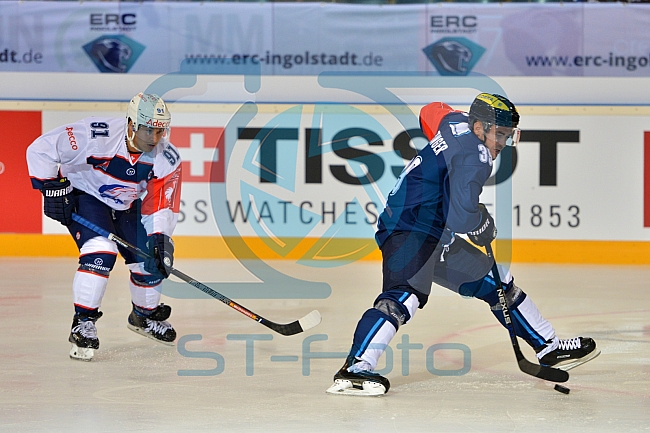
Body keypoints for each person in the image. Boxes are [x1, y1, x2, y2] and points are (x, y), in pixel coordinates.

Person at [326, 93, 599, 396]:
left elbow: (430, 111)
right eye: (499, 134)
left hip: (435, 234)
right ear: (480, 127)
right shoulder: (477, 157)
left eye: (508, 136)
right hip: (410, 230)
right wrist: (481, 223)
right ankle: (355, 369)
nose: (502, 144)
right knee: (403, 298)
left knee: (496, 280)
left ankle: (547, 347)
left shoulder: (455, 122)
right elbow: (461, 216)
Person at [26, 92, 182, 361]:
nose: (154, 139)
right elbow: (41, 149)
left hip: (127, 203)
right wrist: (50, 187)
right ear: (132, 123)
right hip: (87, 197)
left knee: (150, 257)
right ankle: (82, 322)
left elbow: (160, 203)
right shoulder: (94, 134)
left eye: (160, 131)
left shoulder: (166, 157)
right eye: (148, 130)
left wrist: (160, 237)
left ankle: (143, 317)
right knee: (101, 250)